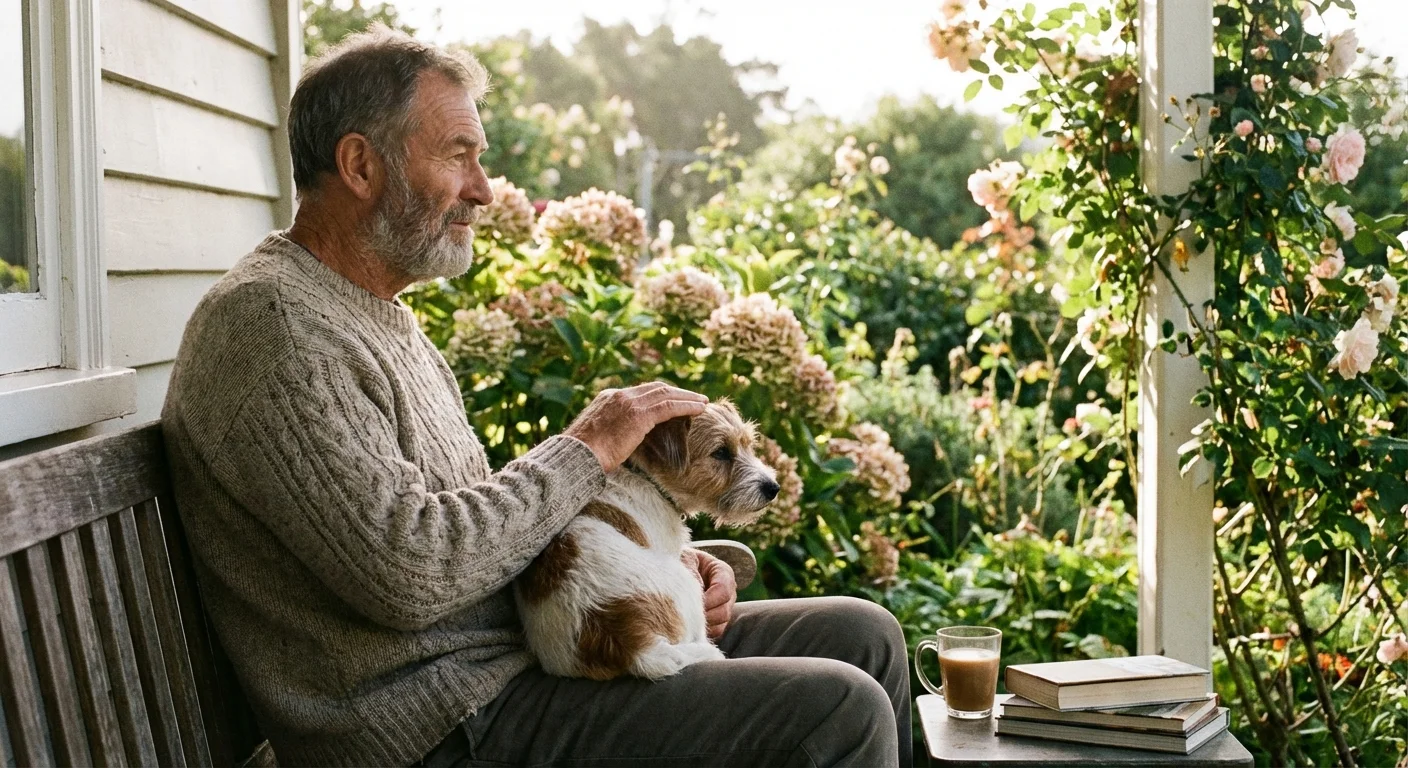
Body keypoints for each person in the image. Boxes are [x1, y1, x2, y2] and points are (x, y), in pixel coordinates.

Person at [161, 25, 910, 768]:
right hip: (435, 729)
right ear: (359, 164)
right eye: (459, 156)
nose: (483, 190)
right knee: (838, 711)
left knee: (861, 633)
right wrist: (586, 449)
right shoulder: (277, 330)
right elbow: (413, 575)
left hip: (507, 669)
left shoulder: (372, 314)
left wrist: (660, 564)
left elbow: (469, 540)